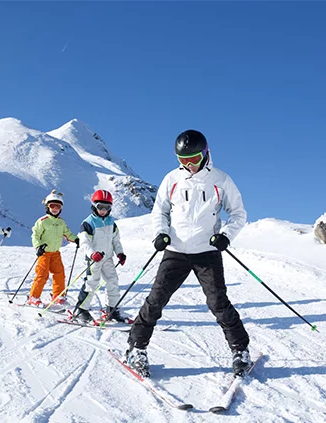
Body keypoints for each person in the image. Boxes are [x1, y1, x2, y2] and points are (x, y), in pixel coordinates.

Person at [125, 129, 250, 377]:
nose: (189, 165)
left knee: (218, 303)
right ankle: (136, 347)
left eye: (193, 159)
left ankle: (240, 350)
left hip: (207, 251)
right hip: (176, 250)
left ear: (205, 154)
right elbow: (159, 211)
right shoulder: (172, 179)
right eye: (183, 160)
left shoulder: (221, 180)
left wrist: (225, 236)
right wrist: (160, 233)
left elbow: (238, 214)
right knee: (156, 299)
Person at [66, 189, 128, 324]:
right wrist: (92, 254)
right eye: (100, 207)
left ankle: (112, 310)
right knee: (92, 282)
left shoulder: (112, 222)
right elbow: (84, 242)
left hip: (107, 258)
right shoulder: (88, 223)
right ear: (94, 206)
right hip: (94, 258)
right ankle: (81, 310)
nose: (103, 210)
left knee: (113, 281)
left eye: (107, 207)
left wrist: (120, 253)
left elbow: (116, 241)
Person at [27, 190, 79, 307]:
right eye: (52, 206)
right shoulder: (42, 221)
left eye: (58, 206)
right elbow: (35, 235)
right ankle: (33, 297)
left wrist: (76, 239)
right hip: (44, 253)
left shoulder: (61, 222)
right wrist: (38, 246)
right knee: (42, 275)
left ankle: (58, 295)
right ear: (47, 206)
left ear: (61, 208)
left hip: (55, 253)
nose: (55, 208)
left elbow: (67, 233)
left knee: (59, 274)